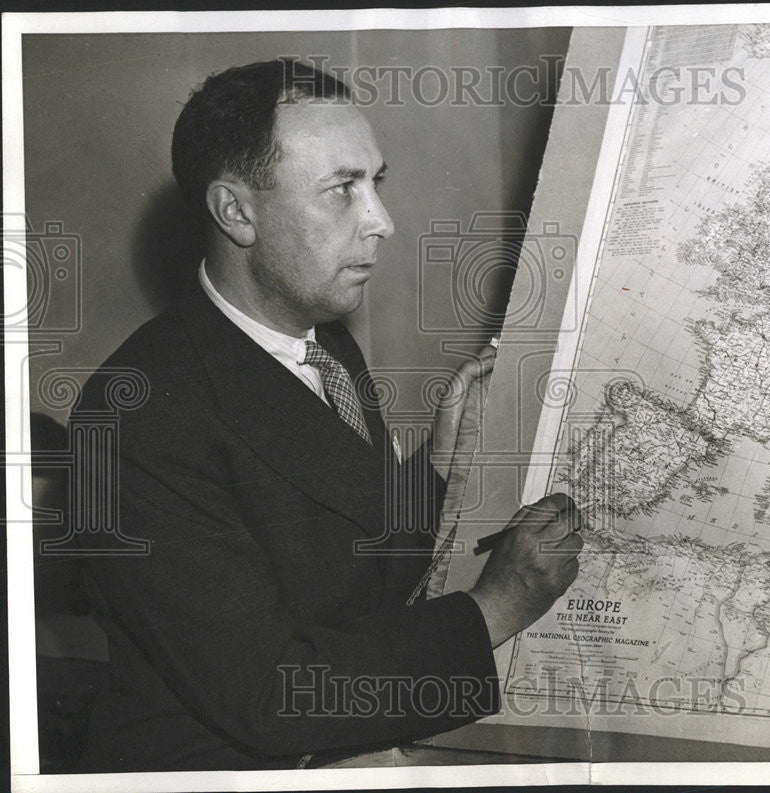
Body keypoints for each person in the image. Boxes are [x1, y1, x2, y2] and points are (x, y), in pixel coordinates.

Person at [70, 59, 583, 772]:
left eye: (376, 182)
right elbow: (271, 692)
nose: (382, 221)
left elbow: (347, 570)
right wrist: (497, 606)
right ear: (236, 212)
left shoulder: (324, 341)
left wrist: (435, 468)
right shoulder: (133, 413)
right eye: (342, 190)